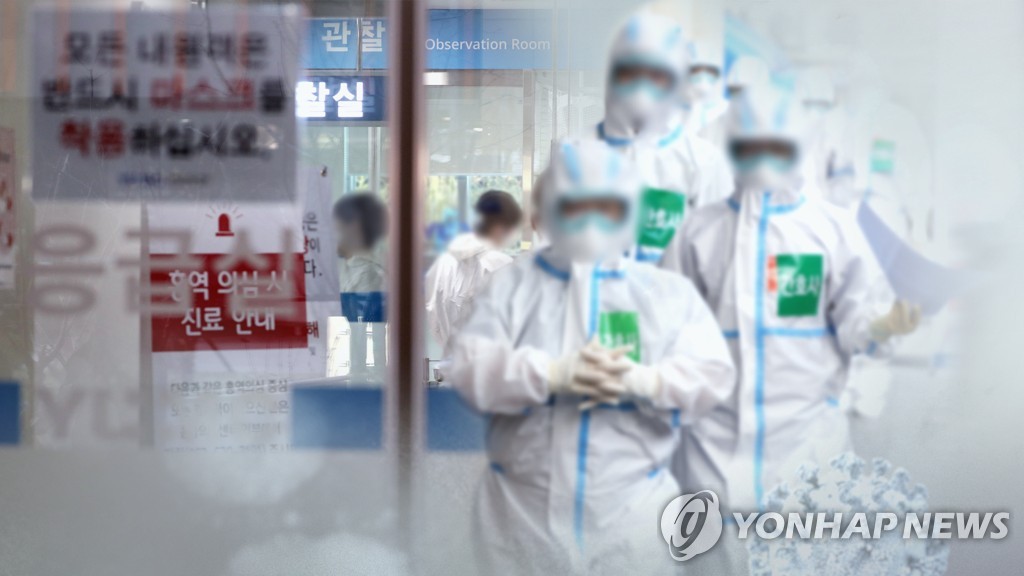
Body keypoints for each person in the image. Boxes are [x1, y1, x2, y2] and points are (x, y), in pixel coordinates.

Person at [447, 139, 734, 574]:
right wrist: (548, 375)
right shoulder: (512, 285)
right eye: (576, 205)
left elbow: (712, 376)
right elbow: (470, 368)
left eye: (607, 207)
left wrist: (648, 382)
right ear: (548, 211)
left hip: (633, 516)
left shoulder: (666, 294)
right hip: (521, 515)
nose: (591, 220)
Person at [664, 85, 921, 535]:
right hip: (712, 448)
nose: (764, 158)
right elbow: (669, 330)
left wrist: (883, 326)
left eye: (776, 146)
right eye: (751, 145)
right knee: (716, 556)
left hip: (808, 443)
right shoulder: (697, 232)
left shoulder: (833, 230)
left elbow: (856, 325)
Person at [598, 10, 733, 264]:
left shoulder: (701, 158)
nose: (643, 84)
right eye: (631, 71)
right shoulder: (581, 152)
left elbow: (713, 251)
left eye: (657, 74)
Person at [424, 190, 523, 353]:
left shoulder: (441, 264)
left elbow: (433, 317)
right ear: (501, 226)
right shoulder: (502, 266)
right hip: (492, 362)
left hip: (452, 360)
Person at [333, 193, 388, 382]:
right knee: (360, 329)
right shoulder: (352, 232)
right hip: (355, 285)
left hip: (369, 285)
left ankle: (371, 370)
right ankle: (362, 369)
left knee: (369, 329)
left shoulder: (371, 234)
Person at [681, 41, 730, 146]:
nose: (703, 76)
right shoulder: (670, 109)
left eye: (710, 71)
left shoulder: (725, 110)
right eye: (697, 70)